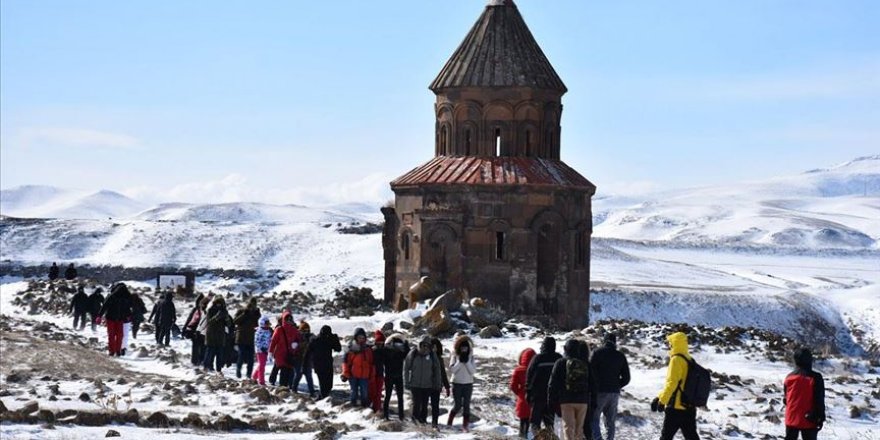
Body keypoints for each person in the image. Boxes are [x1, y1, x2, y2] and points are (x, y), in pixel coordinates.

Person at [652, 332, 700, 440]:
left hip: (675, 408)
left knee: (666, 437)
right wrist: (659, 397)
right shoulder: (690, 360)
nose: (669, 346)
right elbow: (681, 384)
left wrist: (662, 401)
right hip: (689, 407)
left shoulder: (676, 360)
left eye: (670, 343)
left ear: (674, 343)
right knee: (691, 436)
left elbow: (672, 383)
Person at [590, 333, 630, 440]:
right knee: (610, 422)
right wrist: (617, 385)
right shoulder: (620, 355)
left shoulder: (596, 353)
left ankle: (598, 438)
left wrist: (594, 386)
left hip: (599, 391)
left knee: (594, 419)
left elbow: (590, 372)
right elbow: (627, 378)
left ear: (604, 341)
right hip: (614, 393)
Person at [548, 339, 591, 440]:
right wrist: (592, 402)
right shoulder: (585, 363)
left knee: (568, 430)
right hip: (583, 401)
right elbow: (593, 383)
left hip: (566, 401)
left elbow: (552, 384)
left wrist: (551, 401)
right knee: (579, 431)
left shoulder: (560, 362)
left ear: (565, 349)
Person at [784, 347, 826, 440]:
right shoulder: (815, 377)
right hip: (809, 418)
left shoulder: (789, 377)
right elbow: (819, 399)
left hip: (791, 418)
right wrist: (821, 417)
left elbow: (786, 399)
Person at [527, 336, 563, 435]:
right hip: (552, 397)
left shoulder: (538, 358)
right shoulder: (558, 358)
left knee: (535, 423)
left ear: (543, 346)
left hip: (538, 397)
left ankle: (538, 437)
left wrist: (528, 392)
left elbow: (530, 376)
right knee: (549, 423)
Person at [404, 336, 442, 427]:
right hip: (415, 384)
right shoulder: (413, 354)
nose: (425, 347)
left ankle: (423, 422)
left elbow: (437, 370)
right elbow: (406, 368)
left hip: (427, 384)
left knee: (424, 405)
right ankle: (415, 421)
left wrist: (437, 383)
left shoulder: (432, 356)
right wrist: (406, 381)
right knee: (416, 404)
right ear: (420, 345)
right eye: (423, 345)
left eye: (427, 346)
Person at [448, 335, 476, 432]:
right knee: (458, 405)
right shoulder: (454, 355)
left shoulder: (471, 356)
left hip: (468, 383)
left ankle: (465, 426)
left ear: (468, 347)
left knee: (467, 405)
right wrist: (460, 362)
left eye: (466, 347)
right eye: (462, 347)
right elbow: (452, 370)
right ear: (459, 347)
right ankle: (449, 422)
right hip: (457, 383)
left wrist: (467, 361)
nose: (464, 349)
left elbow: (472, 371)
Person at [96, 283, 132, 356]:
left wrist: (99, 316)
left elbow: (104, 306)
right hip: (120, 319)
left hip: (110, 318)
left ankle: (112, 351)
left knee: (111, 335)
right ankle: (118, 351)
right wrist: (128, 316)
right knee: (120, 335)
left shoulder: (112, 296)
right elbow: (128, 309)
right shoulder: (126, 297)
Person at [379, 333, 409, 420]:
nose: (398, 346)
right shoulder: (388, 351)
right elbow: (381, 354)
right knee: (389, 396)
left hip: (396, 376)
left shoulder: (400, 352)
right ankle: (388, 415)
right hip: (391, 376)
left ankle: (400, 416)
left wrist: (405, 344)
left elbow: (407, 354)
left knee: (398, 397)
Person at [342, 327, 374, 407]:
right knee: (354, 392)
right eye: (359, 337)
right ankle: (353, 407)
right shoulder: (351, 349)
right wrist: (345, 374)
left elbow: (371, 363)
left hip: (365, 375)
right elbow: (346, 363)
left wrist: (372, 375)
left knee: (364, 392)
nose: (361, 339)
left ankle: (364, 407)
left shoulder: (368, 350)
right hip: (353, 375)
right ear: (355, 338)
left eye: (363, 338)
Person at [269, 311, 301, 388]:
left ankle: (284, 390)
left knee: (288, 373)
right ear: (284, 319)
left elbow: (299, 339)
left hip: (289, 355)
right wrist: (270, 351)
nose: (289, 320)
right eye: (287, 319)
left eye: (290, 319)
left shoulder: (293, 330)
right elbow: (273, 341)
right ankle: (282, 390)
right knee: (284, 372)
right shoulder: (280, 329)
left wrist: (296, 344)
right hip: (282, 355)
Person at [510, 347, 537, 438]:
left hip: (523, 399)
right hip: (534, 400)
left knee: (523, 423)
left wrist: (520, 393)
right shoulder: (536, 369)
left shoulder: (518, 370)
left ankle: (522, 436)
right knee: (534, 425)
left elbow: (513, 386)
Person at [310, 325, 342, 398]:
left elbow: (338, 348)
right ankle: (323, 398)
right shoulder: (319, 340)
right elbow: (338, 348)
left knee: (325, 384)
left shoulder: (317, 339)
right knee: (325, 384)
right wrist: (335, 339)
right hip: (323, 364)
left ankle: (323, 398)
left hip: (323, 364)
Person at [233, 297, 261, 379]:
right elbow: (235, 321)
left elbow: (258, 324)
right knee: (241, 355)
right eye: (251, 305)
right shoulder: (241, 311)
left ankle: (249, 374)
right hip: (241, 337)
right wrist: (244, 314)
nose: (252, 307)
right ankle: (238, 370)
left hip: (251, 338)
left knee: (251, 358)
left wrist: (258, 315)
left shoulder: (255, 313)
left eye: (254, 305)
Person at [202, 296, 229, 372]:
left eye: (220, 304)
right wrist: (217, 316)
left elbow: (229, 324)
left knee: (219, 355)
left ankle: (218, 370)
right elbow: (209, 322)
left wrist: (226, 317)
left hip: (220, 336)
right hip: (211, 335)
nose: (219, 305)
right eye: (217, 304)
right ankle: (206, 367)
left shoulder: (224, 311)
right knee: (209, 352)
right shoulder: (210, 310)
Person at [291, 320, 316, 396]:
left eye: (307, 330)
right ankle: (294, 389)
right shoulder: (297, 337)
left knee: (306, 376)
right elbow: (293, 346)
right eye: (304, 330)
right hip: (300, 359)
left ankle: (311, 392)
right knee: (300, 375)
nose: (306, 332)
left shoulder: (311, 338)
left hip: (306, 359)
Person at [186, 294, 210, 366]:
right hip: (200, 332)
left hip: (198, 332)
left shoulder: (200, 311)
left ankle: (196, 362)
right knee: (201, 348)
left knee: (198, 348)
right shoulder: (200, 311)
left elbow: (192, 320)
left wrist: (188, 328)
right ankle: (199, 362)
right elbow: (192, 320)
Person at [368, 330, 386, 412]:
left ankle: (377, 408)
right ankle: (372, 408)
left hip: (380, 374)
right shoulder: (371, 350)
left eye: (382, 342)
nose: (380, 343)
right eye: (378, 341)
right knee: (373, 392)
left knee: (378, 393)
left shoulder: (384, 350)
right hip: (372, 374)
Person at [253, 316, 273, 385]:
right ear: (262, 323)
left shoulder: (268, 330)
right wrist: (262, 348)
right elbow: (257, 342)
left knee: (262, 364)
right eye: (266, 323)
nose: (268, 324)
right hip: (260, 351)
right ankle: (261, 381)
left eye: (268, 323)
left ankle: (254, 376)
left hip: (266, 350)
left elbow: (270, 339)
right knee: (262, 365)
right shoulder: (259, 331)